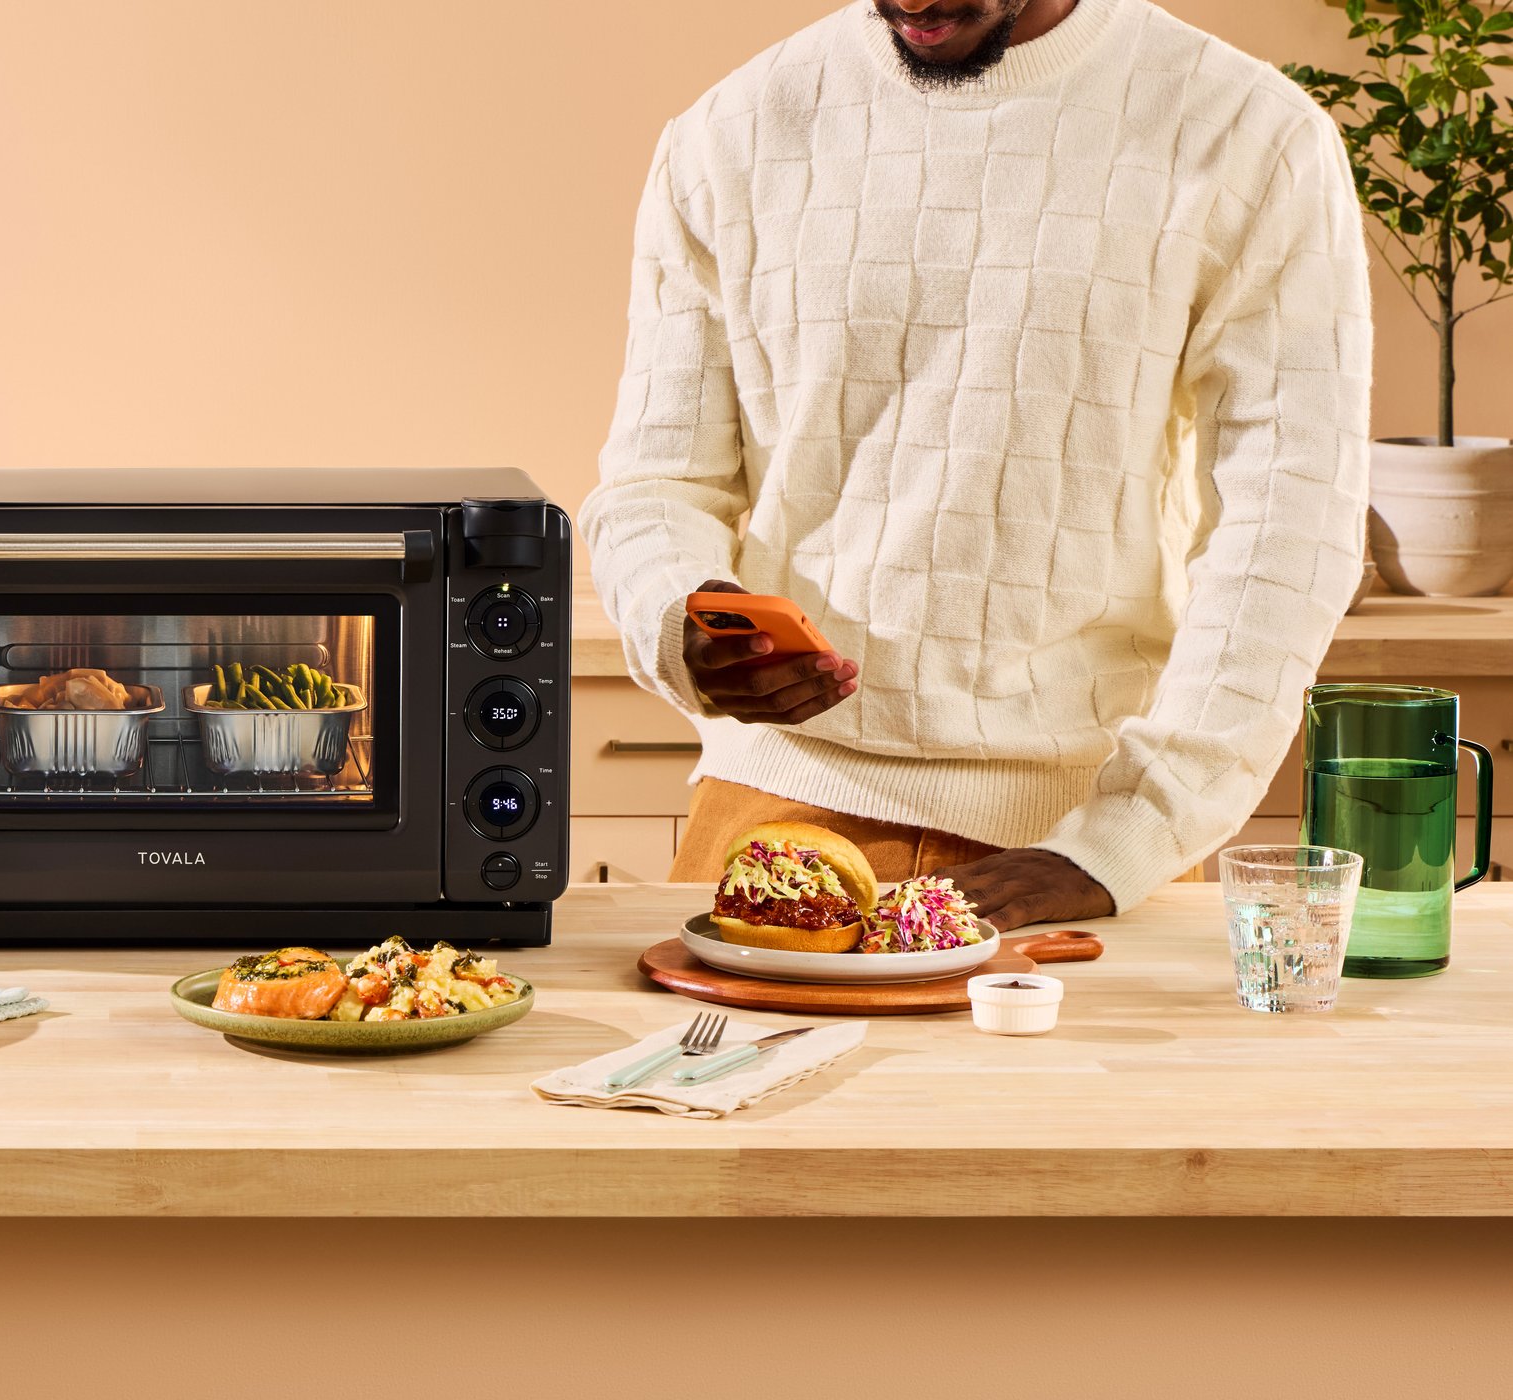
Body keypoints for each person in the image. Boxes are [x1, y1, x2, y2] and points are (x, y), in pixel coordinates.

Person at [580, 0, 1372, 932]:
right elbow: (655, 482)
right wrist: (684, 624)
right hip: (771, 808)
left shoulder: (1247, 132)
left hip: (1087, 847)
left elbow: (1293, 513)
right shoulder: (731, 132)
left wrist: (1134, 833)